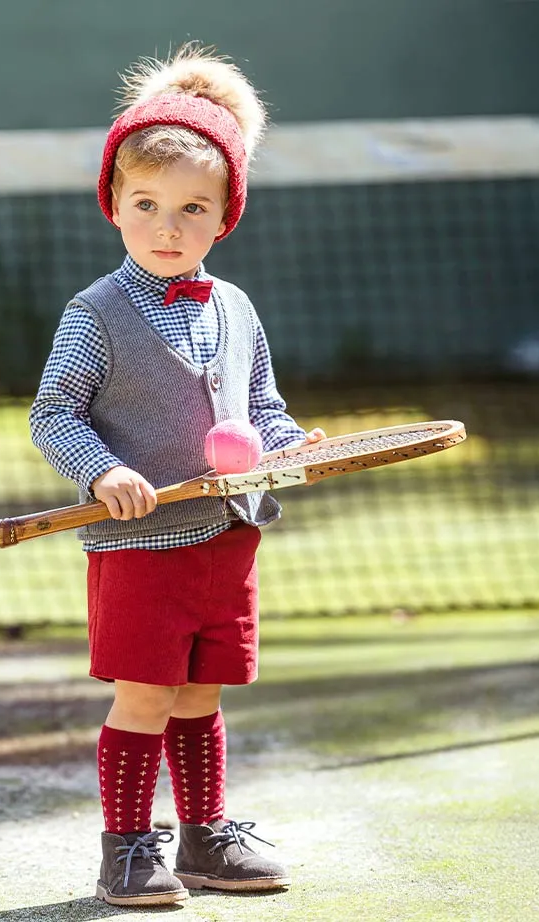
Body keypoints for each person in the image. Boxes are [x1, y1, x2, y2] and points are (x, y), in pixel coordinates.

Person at [29, 42, 325, 908]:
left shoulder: (235, 307)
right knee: (146, 696)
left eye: (192, 209)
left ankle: (206, 841)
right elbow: (54, 414)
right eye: (147, 204)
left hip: (225, 535)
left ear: (224, 214)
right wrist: (103, 472)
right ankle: (126, 850)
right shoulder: (94, 314)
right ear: (113, 204)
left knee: (201, 691)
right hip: (139, 543)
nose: (168, 227)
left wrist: (291, 448)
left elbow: (261, 408)